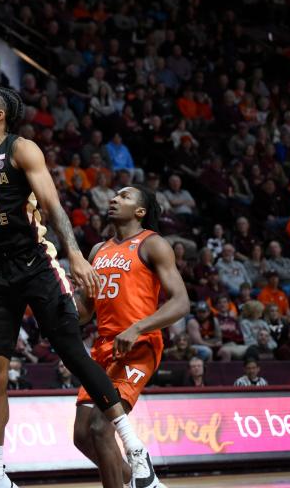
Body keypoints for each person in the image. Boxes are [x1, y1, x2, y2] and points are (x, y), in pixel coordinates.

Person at [0, 87, 159, 488]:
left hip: (35, 264)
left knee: (73, 353)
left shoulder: (22, 149)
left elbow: (53, 207)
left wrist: (76, 256)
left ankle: (134, 447)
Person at [72, 187, 188, 488]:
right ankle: (144, 482)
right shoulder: (98, 250)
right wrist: (60, 307)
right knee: (82, 436)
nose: (113, 199)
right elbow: (85, 309)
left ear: (140, 211)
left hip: (138, 344)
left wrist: (137, 327)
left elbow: (180, 302)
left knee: (101, 427)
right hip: (102, 346)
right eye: (113, 195)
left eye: (124, 196)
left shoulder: (153, 244)